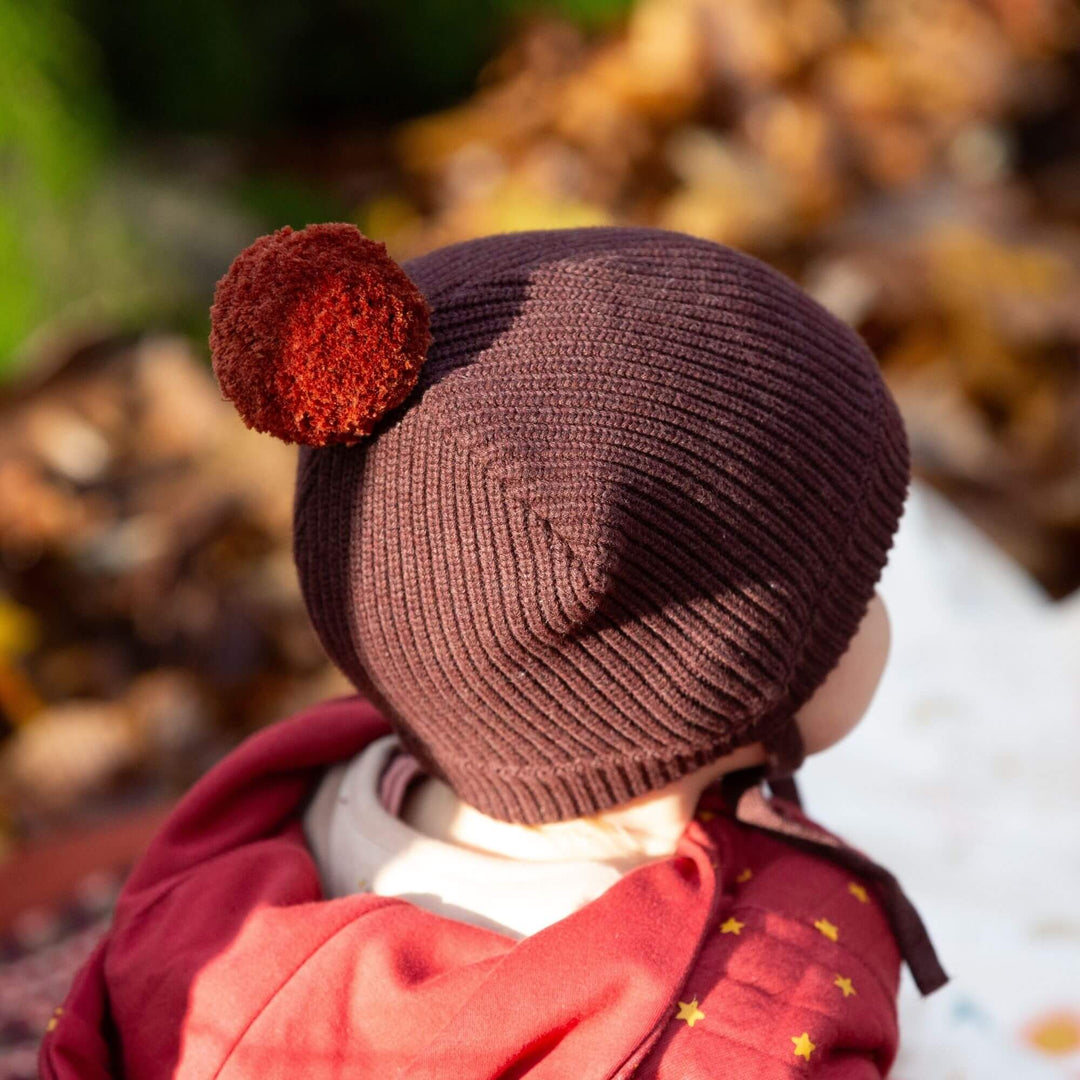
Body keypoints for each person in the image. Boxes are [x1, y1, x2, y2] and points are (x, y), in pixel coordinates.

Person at [41, 224, 946, 1079]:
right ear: (710, 691)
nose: (880, 606)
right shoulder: (754, 1022)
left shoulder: (236, 859)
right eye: (856, 587)